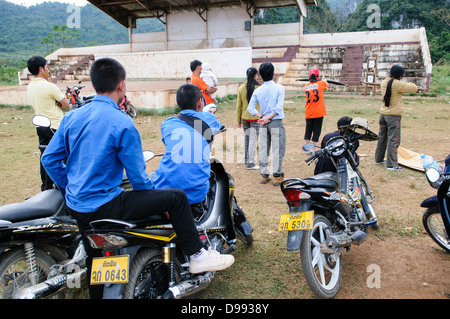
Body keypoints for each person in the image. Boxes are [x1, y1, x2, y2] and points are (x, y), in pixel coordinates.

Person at [41, 58, 234, 298]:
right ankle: (197, 255)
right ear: (121, 85)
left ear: (94, 83)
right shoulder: (122, 122)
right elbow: (139, 179)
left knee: (95, 260)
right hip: (108, 206)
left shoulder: (72, 117)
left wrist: (69, 188)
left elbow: (49, 159)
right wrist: (156, 198)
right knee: (175, 198)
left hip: (77, 208)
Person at [151, 84, 223, 209]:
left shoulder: (167, 123)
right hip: (195, 194)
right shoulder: (209, 119)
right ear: (200, 103)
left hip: (161, 189)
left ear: (178, 104)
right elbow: (218, 127)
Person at [26, 55, 70, 191]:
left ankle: (46, 186)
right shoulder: (49, 86)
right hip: (55, 126)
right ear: (41, 68)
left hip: (41, 126)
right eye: (46, 67)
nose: (48, 70)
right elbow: (66, 105)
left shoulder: (30, 86)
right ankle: (65, 186)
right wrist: (58, 103)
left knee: (45, 155)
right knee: (63, 157)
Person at [247, 62, 286, 186]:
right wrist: (268, 117)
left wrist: (263, 117)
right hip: (275, 122)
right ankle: (277, 174)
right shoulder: (279, 88)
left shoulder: (258, 90)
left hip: (263, 123)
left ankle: (264, 174)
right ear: (273, 74)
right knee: (277, 148)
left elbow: (250, 108)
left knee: (264, 148)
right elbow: (278, 108)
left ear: (260, 76)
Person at [374, 64, 418, 171]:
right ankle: (391, 165)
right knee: (394, 140)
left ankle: (378, 159)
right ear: (400, 75)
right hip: (393, 116)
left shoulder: (384, 82)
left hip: (383, 114)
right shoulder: (397, 84)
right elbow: (414, 88)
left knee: (382, 138)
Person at [236, 67, 261, 170]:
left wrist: (238, 120)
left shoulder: (241, 88)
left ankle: (247, 160)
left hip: (244, 118)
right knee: (253, 140)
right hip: (255, 117)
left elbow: (238, 106)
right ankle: (250, 164)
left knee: (247, 139)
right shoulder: (258, 88)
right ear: (256, 75)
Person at [304, 68, 328, 148]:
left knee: (308, 129)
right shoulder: (321, 83)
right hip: (318, 112)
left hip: (309, 112)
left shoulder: (306, 86)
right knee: (316, 130)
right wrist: (325, 80)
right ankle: (314, 148)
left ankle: (307, 146)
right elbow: (325, 86)